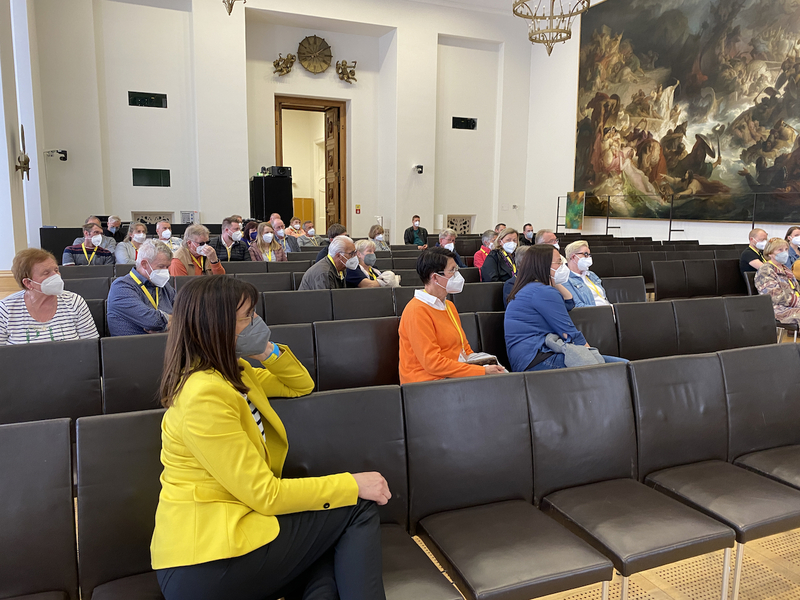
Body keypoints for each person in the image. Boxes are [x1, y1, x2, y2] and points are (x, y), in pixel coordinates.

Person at [151, 275, 389, 600]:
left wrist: (264, 349)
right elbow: (265, 494)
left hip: (236, 532)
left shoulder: (235, 373)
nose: (257, 322)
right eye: (247, 317)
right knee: (357, 506)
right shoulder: (203, 395)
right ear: (216, 327)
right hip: (208, 559)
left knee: (328, 550)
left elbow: (300, 384)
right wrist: (352, 483)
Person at [504, 245, 627, 372]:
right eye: (559, 262)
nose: (563, 266)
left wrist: (553, 281)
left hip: (531, 356)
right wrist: (592, 356)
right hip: (536, 358)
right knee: (621, 368)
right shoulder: (543, 292)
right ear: (545, 266)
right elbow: (568, 332)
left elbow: (569, 303)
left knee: (617, 366)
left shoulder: (533, 288)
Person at [399, 247, 506, 384]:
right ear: (435, 277)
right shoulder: (416, 311)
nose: (457, 275)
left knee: (502, 377)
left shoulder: (449, 306)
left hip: (452, 374)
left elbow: (464, 349)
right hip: (426, 382)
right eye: (452, 270)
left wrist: (483, 365)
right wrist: (481, 371)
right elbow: (433, 364)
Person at [0, 248, 98, 344]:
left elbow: (91, 346)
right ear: (28, 283)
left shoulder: (75, 302)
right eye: (46, 273)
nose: (56, 276)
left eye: (56, 270)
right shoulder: (6, 310)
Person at [107, 240, 175, 336]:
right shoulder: (121, 287)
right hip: (135, 348)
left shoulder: (164, 285)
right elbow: (152, 321)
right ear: (144, 264)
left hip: (168, 345)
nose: (166, 271)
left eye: (167, 267)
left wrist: (167, 328)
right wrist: (177, 321)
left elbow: (187, 313)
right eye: (161, 266)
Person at [755, 237, 800, 326]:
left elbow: (796, 289)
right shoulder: (765, 270)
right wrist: (797, 301)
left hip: (792, 305)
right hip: (777, 308)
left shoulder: (785, 269)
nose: (784, 252)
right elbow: (774, 295)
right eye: (780, 250)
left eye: (786, 249)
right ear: (770, 253)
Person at [561, 240, 610, 307]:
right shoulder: (564, 279)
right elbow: (577, 306)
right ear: (573, 257)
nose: (589, 258)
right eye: (586, 254)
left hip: (607, 310)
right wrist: (605, 310)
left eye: (589, 255)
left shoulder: (591, 275)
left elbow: (603, 297)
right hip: (593, 314)